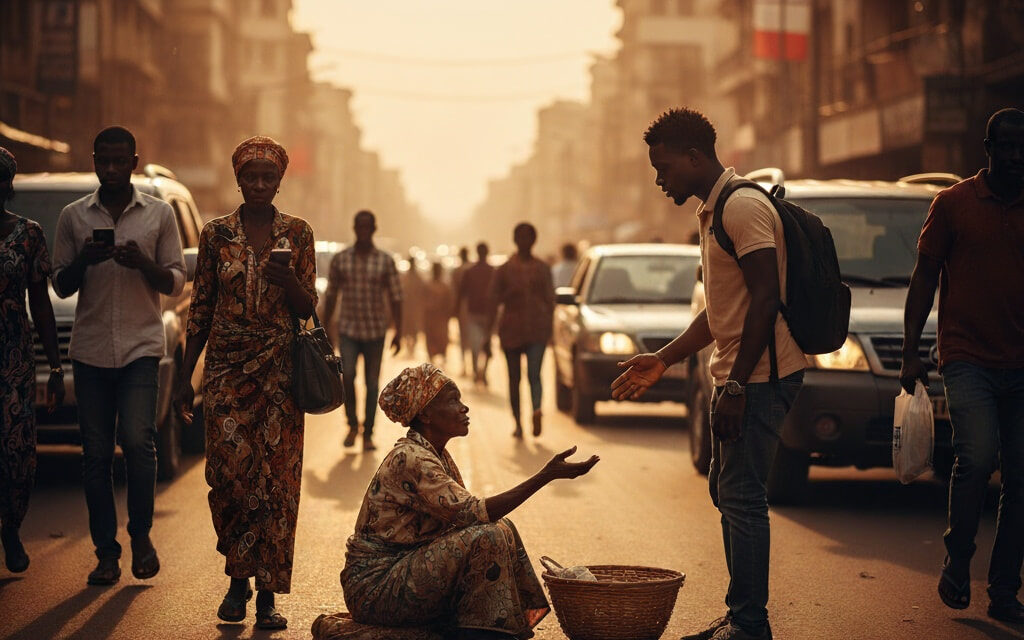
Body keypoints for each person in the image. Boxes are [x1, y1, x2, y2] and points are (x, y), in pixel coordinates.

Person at [611, 108, 805, 640]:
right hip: (739, 374)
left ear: (695, 157)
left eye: (664, 167)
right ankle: (741, 617)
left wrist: (739, 385)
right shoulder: (715, 210)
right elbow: (723, 310)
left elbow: (766, 299)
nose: (659, 180)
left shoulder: (740, 207)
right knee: (728, 492)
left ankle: (749, 624)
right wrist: (666, 358)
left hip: (761, 377)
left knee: (742, 497)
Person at [339, 363, 599, 639]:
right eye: (453, 400)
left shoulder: (434, 454)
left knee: (502, 528)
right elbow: (475, 513)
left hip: (398, 573)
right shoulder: (412, 459)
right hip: (374, 588)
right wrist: (545, 476)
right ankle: (487, 631)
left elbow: (468, 520)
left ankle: (494, 627)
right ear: (426, 413)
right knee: (488, 536)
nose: (464, 408)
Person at [174, 135, 316, 630]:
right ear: (238, 179)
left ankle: (265, 596)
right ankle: (236, 577)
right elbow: (201, 308)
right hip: (226, 373)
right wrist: (182, 377)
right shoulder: (215, 234)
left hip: (280, 374)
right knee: (230, 478)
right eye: (250, 176)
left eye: (268, 177)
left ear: (280, 181)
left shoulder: (298, 234)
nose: (259, 184)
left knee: (277, 483)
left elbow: (308, 310)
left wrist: (289, 280)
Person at [900, 107, 1024, 625]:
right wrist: (910, 351)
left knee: (1021, 478)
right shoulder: (953, 204)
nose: (1017, 158)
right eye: (1008, 148)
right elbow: (924, 277)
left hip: (1021, 365)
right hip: (966, 355)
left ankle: (1002, 590)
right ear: (988, 150)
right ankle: (959, 556)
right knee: (975, 457)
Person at [52, 126, 185, 586]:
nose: (109, 169)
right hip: (89, 352)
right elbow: (61, 285)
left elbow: (175, 281)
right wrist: (86, 260)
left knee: (138, 442)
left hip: (140, 349)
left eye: (118, 161)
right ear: (94, 161)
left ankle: (142, 537)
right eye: (102, 161)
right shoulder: (73, 217)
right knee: (94, 455)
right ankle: (106, 553)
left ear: (133, 161)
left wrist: (142, 264)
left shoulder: (159, 215)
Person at [0, 147, 65, 574]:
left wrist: (55, 367)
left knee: (17, 451)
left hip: (13, 360)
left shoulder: (28, 234)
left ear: (8, 185)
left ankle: (11, 528)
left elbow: (41, 305)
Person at [323, 210, 403, 452]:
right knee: (347, 376)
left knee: (371, 382)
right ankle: (352, 425)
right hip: (348, 329)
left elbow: (397, 297)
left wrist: (399, 330)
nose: (364, 231)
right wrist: (325, 329)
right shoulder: (342, 259)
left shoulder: (385, 261)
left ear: (374, 229)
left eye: (368, 227)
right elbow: (332, 294)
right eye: (360, 227)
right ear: (355, 228)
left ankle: (368, 433)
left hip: (376, 331)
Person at [490, 223, 554, 439]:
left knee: (533, 375)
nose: (524, 241)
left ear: (533, 240)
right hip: (511, 333)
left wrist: (549, 329)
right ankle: (518, 421)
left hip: (536, 331)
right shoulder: (505, 270)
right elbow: (493, 300)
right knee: (516, 379)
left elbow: (550, 301)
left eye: (528, 237)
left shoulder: (542, 269)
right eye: (521, 237)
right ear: (515, 240)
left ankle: (535, 411)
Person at [455, 242, 496, 387]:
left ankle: (478, 372)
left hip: (477, 314)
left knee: (476, 346)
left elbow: (461, 294)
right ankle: (481, 373)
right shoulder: (492, 271)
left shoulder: (471, 271)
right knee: (485, 345)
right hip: (484, 314)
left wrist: (456, 310)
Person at [422, 262, 454, 366]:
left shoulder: (443, 286)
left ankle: (440, 358)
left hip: (440, 318)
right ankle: (434, 358)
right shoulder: (430, 286)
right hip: (433, 318)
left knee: (440, 339)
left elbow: (449, 303)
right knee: (434, 338)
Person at [451, 246, 473, 376]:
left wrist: (455, 308)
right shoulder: (471, 268)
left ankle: (466, 365)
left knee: (464, 337)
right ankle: (470, 365)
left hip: (464, 308)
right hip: (473, 308)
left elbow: (455, 291)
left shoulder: (458, 271)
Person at [399, 252, 425, 355]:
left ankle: (411, 348)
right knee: (409, 329)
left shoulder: (411, 277)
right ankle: (409, 347)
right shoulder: (409, 277)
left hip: (413, 308)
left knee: (412, 329)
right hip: (409, 307)